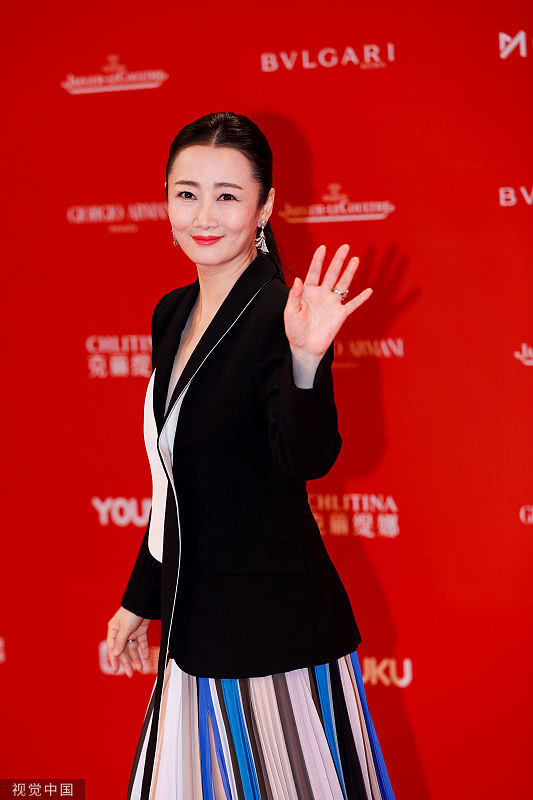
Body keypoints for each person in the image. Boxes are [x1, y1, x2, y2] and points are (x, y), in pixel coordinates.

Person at [106, 112, 395, 800]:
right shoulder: (171, 312)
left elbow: (305, 458)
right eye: (187, 193)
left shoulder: (283, 314)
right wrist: (139, 598)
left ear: (264, 207)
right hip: (191, 627)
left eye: (228, 195)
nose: (204, 215)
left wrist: (306, 360)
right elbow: (175, 484)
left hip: (271, 638)